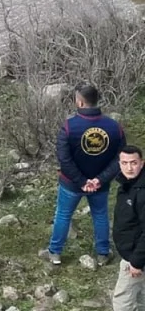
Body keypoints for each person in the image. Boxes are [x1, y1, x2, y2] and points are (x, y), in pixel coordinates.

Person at [41, 82, 126, 265]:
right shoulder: (114, 127)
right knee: (100, 215)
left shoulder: (69, 127)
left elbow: (64, 159)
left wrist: (81, 181)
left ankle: (55, 253)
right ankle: (103, 254)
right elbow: (121, 158)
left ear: (80, 103)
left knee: (63, 215)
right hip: (100, 185)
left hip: (71, 183)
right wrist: (99, 180)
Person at [113, 145, 145, 311]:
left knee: (122, 304)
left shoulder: (141, 191)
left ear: (142, 163)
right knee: (140, 301)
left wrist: (136, 261)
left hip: (135, 259)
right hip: (133, 254)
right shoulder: (128, 184)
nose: (129, 168)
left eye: (133, 163)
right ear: (119, 164)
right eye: (124, 163)